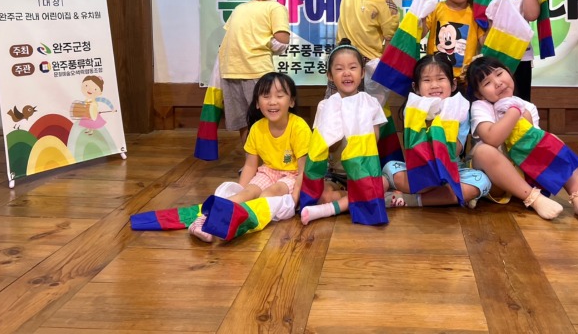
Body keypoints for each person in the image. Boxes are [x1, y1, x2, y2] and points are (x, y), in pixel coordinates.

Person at [467, 56, 578, 229]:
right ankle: (534, 199)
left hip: (524, 173)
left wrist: (519, 110)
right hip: (494, 180)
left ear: (509, 73)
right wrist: (514, 110)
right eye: (487, 83)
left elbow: (532, 147)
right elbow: (493, 139)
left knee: (552, 139)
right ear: (479, 94)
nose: (498, 83)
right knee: (483, 151)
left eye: (499, 74)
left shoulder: (527, 106)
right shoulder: (481, 107)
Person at [189, 72, 310, 242]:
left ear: (291, 101)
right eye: (266, 96)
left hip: (293, 175)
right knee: (248, 192)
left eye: (279, 96)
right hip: (268, 172)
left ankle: (231, 220)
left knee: (269, 193)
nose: (272, 101)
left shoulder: (299, 127)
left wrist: (296, 200)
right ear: (257, 103)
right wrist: (241, 189)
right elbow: (250, 165)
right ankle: (205, 218)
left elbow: (304, 170)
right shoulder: (256, 128)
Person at [300, 40, 391, 225]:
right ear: (330, 75)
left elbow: (373, 141)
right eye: (339, 69)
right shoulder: (325, 106)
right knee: (323, 195)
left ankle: (333, 208)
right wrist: (335, 125)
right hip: (335, 175)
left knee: (383, 183)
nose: (347, 73)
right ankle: (357, 199)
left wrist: (356, 121)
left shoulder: (370, 103)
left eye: (353, 67)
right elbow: (328, 148)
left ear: (362, 73)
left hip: (364, 171)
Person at [382, 55, 491, 207]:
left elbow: (455, 150)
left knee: (481, 181)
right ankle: (444, 196)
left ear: (453, 84)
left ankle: (412, 199)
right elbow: (412, 148)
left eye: (440, 79)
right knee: (390, 167)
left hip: (451, 168)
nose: (434, 85)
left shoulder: (460, 110)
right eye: (427, 80)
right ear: (416, 87)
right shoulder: (413, 110)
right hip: (420, 168)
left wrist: (438, 130)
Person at [217, 0, 290, 144]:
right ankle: (250, 157)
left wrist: (264, 41)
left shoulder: (275, 8)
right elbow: (229, 38)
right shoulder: (239, 8)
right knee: (241, 121)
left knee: (263, 118)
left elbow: (282, 41)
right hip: (230, 72)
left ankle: (269, 157)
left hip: (257, 72)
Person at [424, 0, 483, 79]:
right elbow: (419, 33)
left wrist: (493, 22)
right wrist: (420, 15)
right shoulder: (435, 9)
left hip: (466, 78)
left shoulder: (476, 13)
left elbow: (484, 42)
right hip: (436, 75)